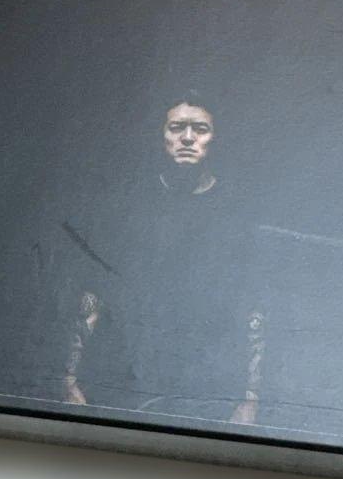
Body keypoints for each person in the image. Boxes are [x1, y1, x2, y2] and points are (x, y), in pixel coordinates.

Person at [58, 94, 264, 424]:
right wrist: (70, 378)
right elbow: (94, 294)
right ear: (162, 135)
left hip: (206, 381)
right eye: (177, 127)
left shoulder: (236, 213)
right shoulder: (130, 204)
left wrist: (250, 397)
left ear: (215, 138)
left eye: (200, 129)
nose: (187, 138)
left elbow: (252, 308)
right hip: (127, 375)